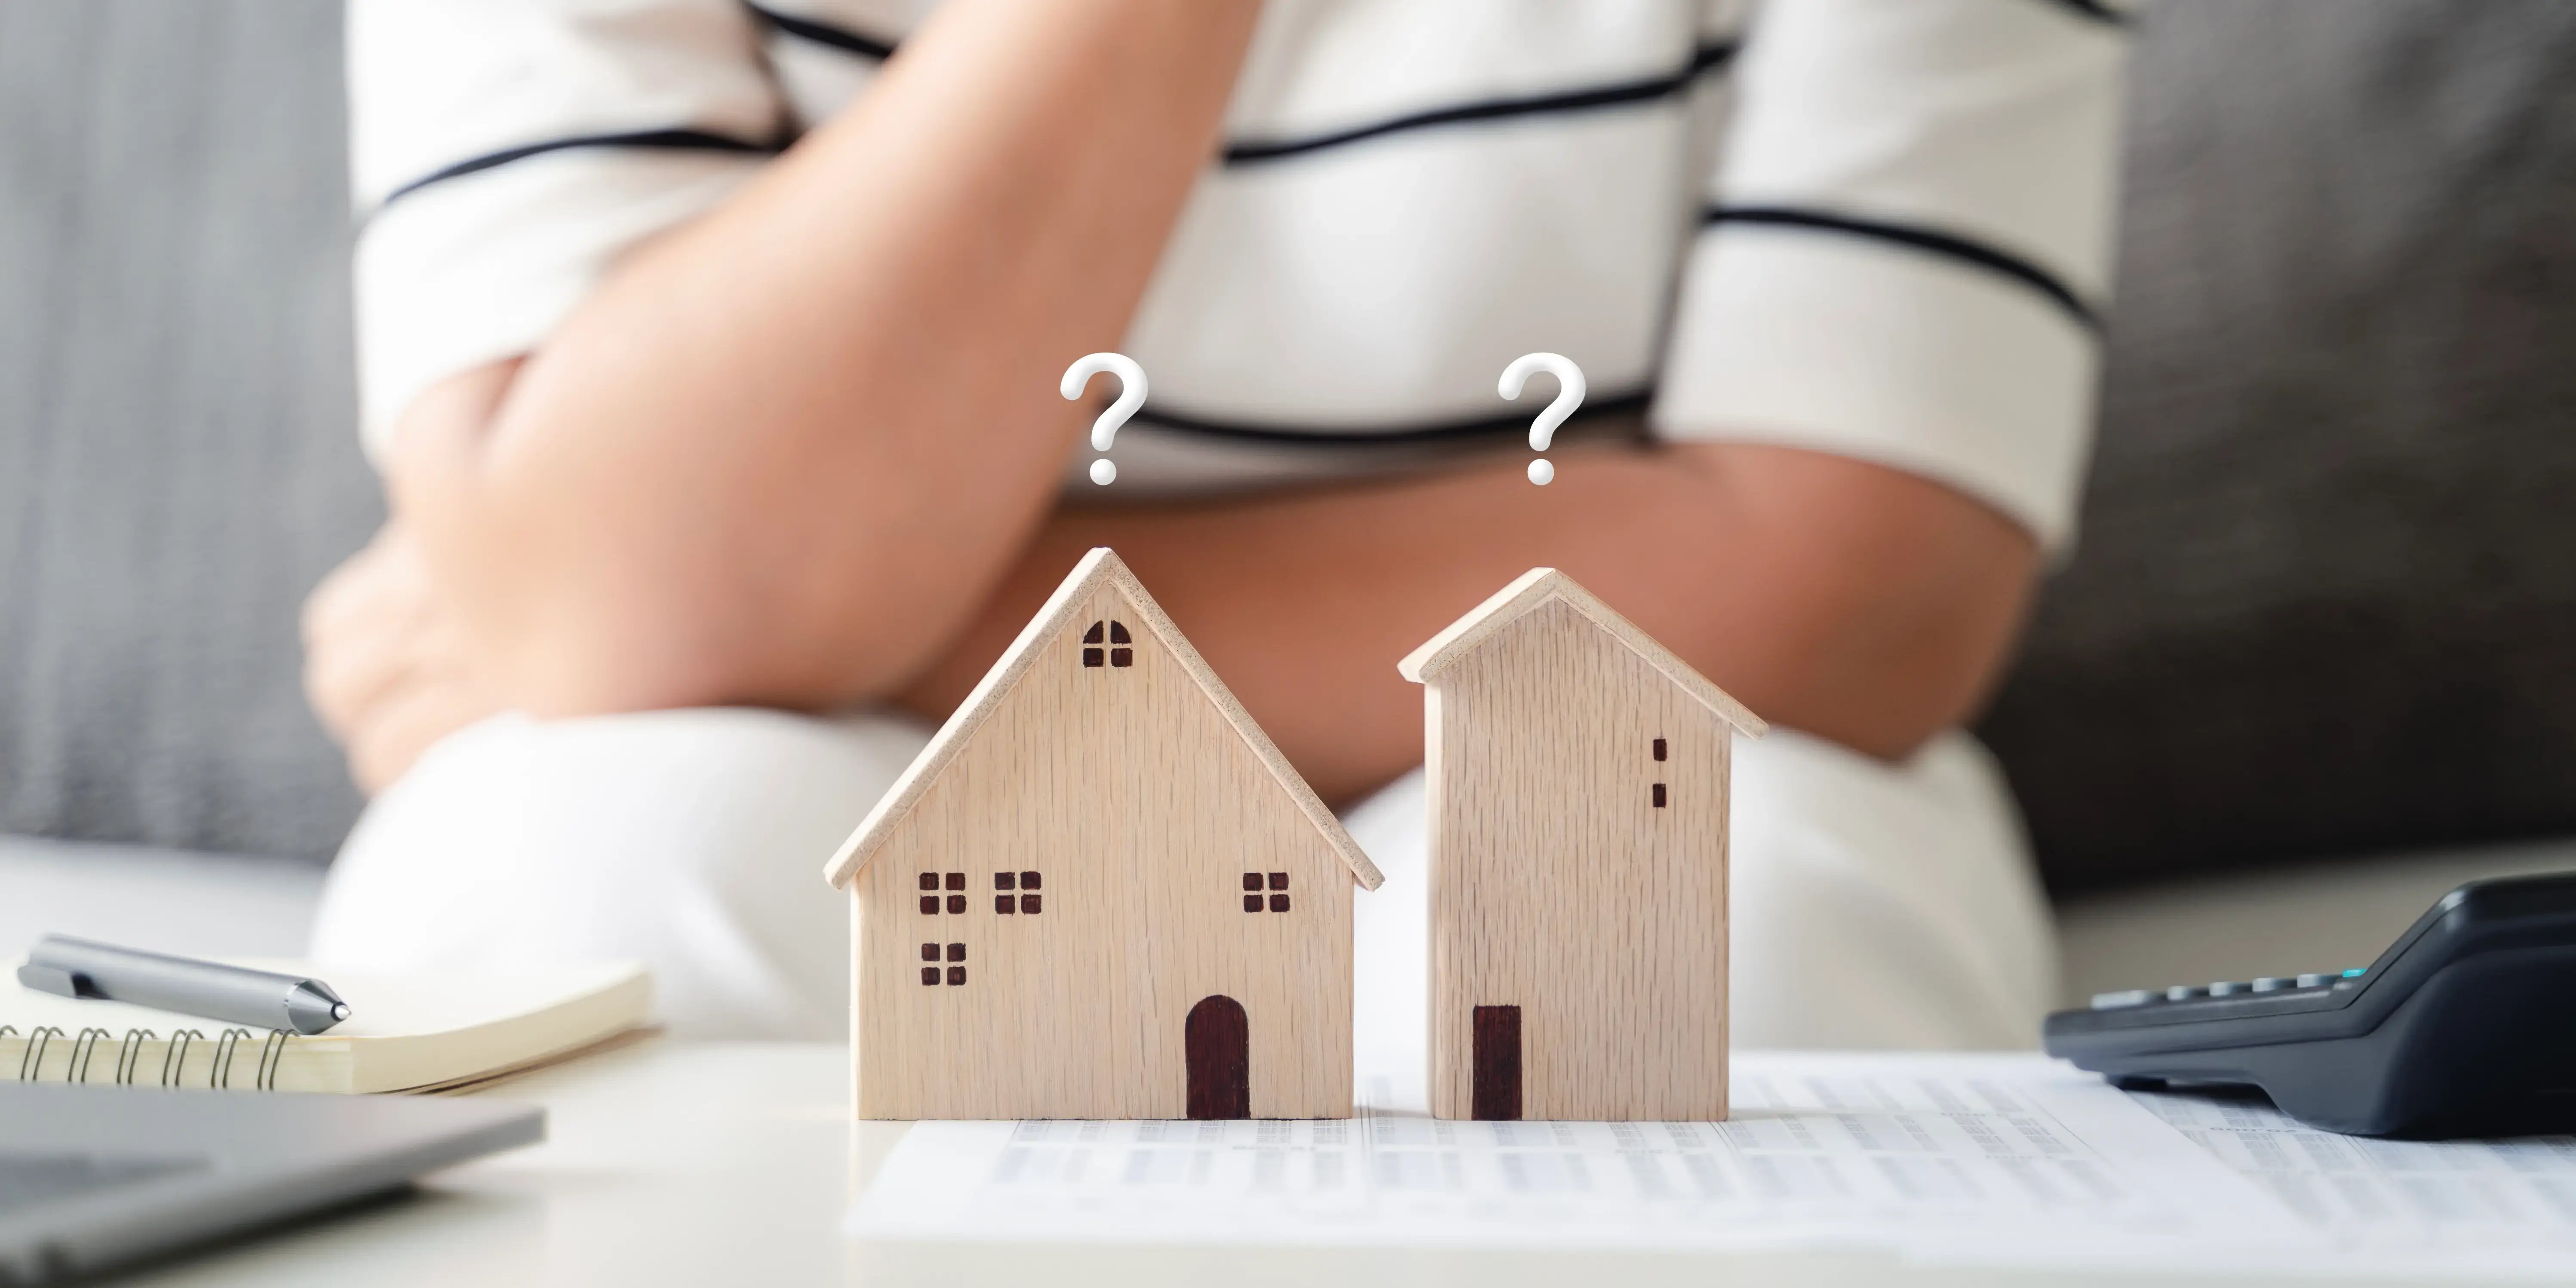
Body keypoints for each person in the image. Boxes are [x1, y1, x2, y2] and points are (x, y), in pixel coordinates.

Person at [304, 0, 2129, 1062]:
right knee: (563, 887)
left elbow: (1850, 579)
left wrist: (839, 603)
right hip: (821, 740)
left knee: (1719, 912)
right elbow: (629, 585)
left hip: (1571, 728)